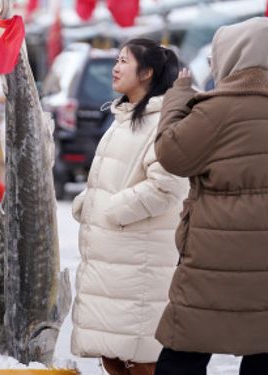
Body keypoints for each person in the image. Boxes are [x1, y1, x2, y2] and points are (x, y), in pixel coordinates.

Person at [153, 17, 268, 375]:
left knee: (182, 354)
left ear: (229, 57)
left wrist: (178, 96)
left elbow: (172, 153)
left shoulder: (216, 109)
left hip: (215, 260)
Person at [71, 38, 189, 375]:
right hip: (117, 261)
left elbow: (167, 186)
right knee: (112, 356)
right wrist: (89, 202)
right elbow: (115, 178)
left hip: (140, 262)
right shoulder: (125, 117)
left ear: (147, 72)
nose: (116, 67)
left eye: (124, 61)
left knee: (142, 360)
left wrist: (113, 209)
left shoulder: (163, 121)